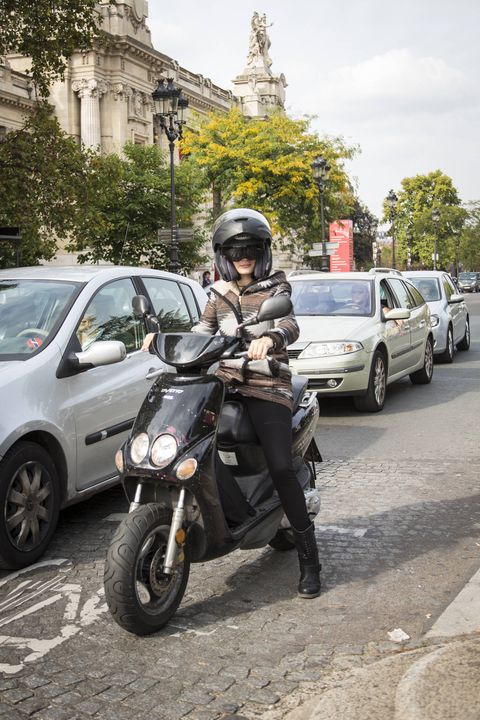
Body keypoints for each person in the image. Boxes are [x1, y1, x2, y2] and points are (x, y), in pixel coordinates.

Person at [142, 208, 321, 599]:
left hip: (264, 384)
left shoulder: (276, 289)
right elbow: (200, 333)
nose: (243, 258)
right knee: (191, 446)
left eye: (251, 250)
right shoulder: (217, 294)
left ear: (262, 253)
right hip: (221, 384)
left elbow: (289, 324)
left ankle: (309, 558)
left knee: (279, 465)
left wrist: (270, 339)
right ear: (224, 254)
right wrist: (161, 341)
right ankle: (232, 511)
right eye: (236, 251)